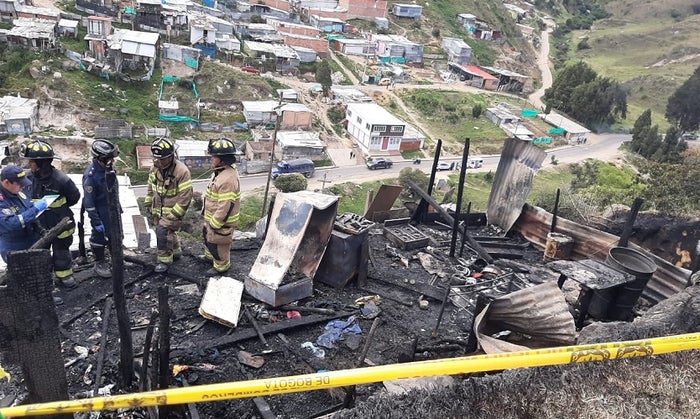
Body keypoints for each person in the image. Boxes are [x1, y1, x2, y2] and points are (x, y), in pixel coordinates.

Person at [21, 140, 81, 288]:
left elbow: (74, 197)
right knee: (41, 254)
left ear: (42, 163)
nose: (29, 164)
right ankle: (45, 281)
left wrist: (58, 210)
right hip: (39, 226)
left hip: (60, 224)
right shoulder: (27, 179)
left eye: (32, 161)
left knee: (61, 252)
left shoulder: (61, 180)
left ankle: (64, 276)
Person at [0, 165, 62, 305]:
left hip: (32, 239)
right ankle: (27, 304)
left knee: (40, 271)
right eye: (19, 184)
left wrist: (40, 230)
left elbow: (29, 212)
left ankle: (45, 298)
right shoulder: (2, 200)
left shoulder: (19, 192)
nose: (22, 187)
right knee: (23, 277)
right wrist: (35, 210)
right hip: (13, 245)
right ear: (6, 182)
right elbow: (12, 224)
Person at [144, 137, 193, 273]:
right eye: (157, 158)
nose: (159, 161)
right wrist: (148, 202)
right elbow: (151, 186)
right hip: (158, 209)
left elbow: (185, 197)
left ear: (171, 156)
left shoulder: (182, 171)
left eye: (163, 159)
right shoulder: (155, 168)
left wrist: (174, 215)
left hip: (174, 211)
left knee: (163, 232)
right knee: (168, 232)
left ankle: (164, 261)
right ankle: (176, 252)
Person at [202, 137, 241, 275]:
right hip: (212, 218)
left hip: (220, 221)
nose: (211, 159)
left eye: (214, 157)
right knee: (209, 238)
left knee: (219, 244)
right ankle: (210, 258)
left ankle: (221, 267)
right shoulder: (220, 171)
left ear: (223, 160)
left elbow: (226, 206)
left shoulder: (228, 179)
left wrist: (215, 223)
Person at [82, 139, 119, 279]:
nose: (112, 161)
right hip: (101, 211)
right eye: (109, 159)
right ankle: (100, 262)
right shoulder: (91, 177)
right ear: (101, 159)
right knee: (100, 237)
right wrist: (96, 221)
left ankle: (117, 259)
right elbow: (89, 202)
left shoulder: (108, 169)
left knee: (116, 235)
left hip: (113, 208)